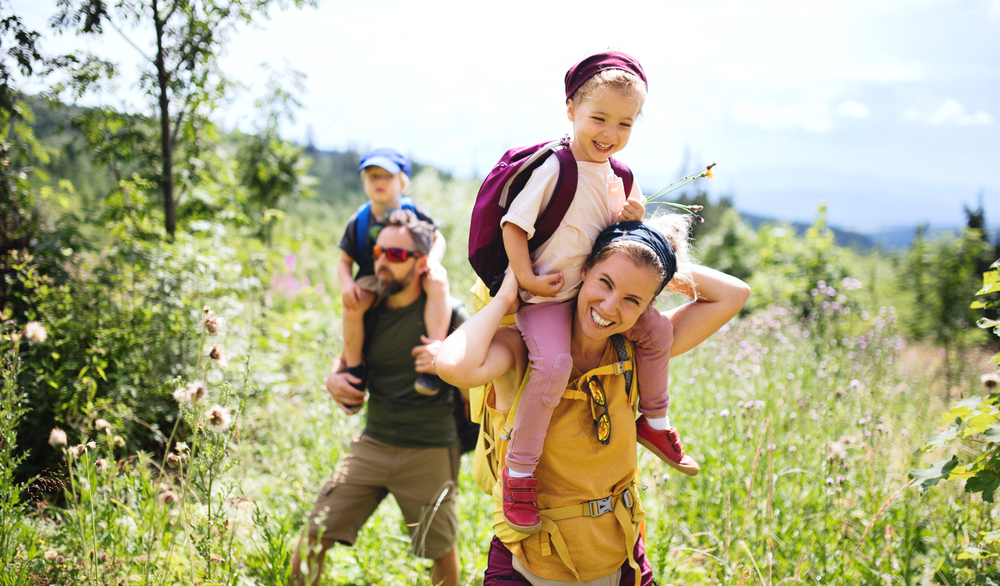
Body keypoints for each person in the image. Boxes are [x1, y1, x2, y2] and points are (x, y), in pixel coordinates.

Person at [436, 218, 750, 585]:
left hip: (621, 562)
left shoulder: (638, 351)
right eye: (605, 282)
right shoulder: (522, 348)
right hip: (527, 564)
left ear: (648, 306)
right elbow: (453, 365)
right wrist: (507, 297)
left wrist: (652, 257)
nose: (610, 306)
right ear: (582, 270)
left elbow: (735, 294)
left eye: (633, 299)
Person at [496, 50, 695, 535]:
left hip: (590, 291)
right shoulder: (555, 167)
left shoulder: (619, 176)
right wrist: (525, 279)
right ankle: (519, 473)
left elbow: (618, 240)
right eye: (599, 118)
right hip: (547, 296)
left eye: (624, 124)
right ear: (571, 110)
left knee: (655, 334)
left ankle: (655, 418)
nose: (610, 133)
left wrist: (630, 218)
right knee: (554, 365)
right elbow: (514, 225)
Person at [290, 210, 469, 586]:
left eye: (397, 255)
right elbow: (344, 364)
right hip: (373, 443)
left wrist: (449, 365)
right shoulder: (368, 310)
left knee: (439, 549)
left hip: (430, 448)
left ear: (422, 264)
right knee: (313, 536)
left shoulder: (450, 314)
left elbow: (479, 385)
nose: (382, 261)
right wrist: (332, 381)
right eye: (378, 251)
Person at [337, 147, 451, 396]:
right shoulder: (359, 220)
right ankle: (355, 368)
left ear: (403, 182)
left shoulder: (414, 212)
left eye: (387, 176)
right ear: (364, 181)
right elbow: (344, 261)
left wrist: (432, 262)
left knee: (438, 283)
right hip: (372, 276)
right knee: (352, 306)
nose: (380, 182)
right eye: (372, 176)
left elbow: (437, 239)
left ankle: (432, 356)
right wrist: (348, 284)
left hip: (411, 271)